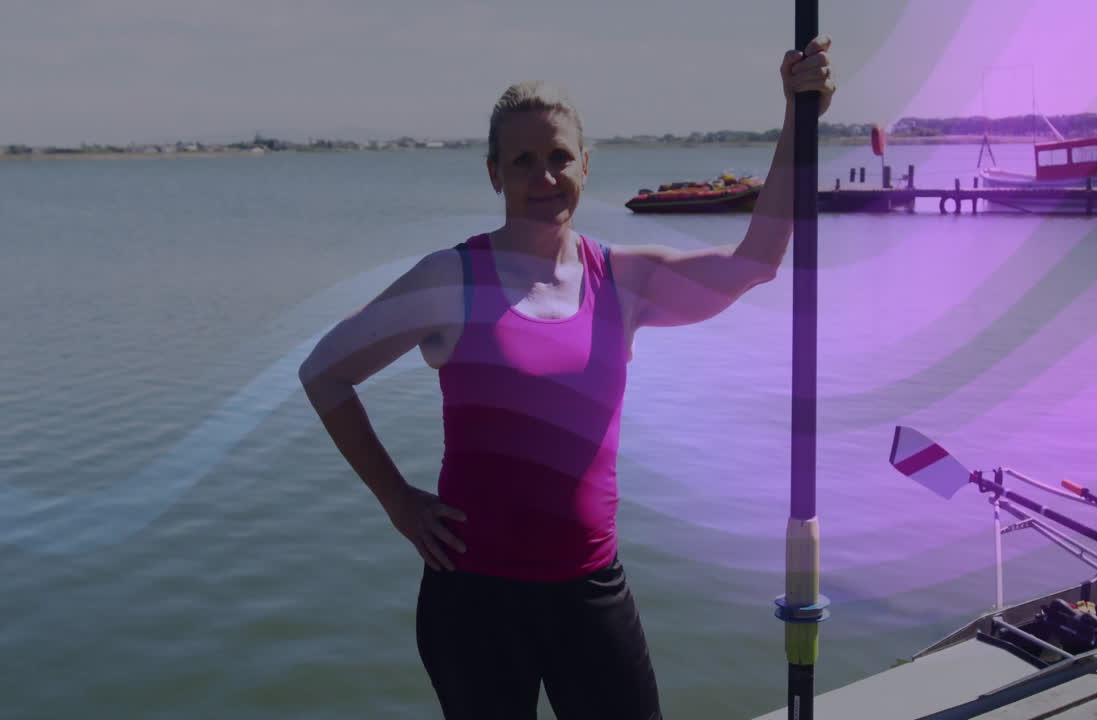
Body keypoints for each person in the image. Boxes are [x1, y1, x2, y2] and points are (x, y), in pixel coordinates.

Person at [299, 36, 836, 720]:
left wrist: (799, 111)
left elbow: (757, 260)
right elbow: (324, 373)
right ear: (494, 174)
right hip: (474, 601)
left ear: (586, 164)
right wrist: (398, 502)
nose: (544, 177)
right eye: (523, 161)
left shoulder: (623, 281)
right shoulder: (449, 281)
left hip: (590, 593)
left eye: (558, 157)